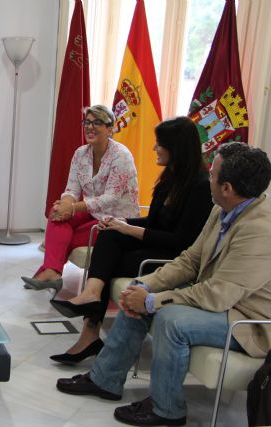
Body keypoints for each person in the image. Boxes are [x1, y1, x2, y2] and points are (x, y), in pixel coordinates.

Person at [57, 142, 271, 426]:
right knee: (140, 292)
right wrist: (145, 286)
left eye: (213, 174)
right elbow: (190, 260)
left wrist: (152, 301)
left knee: (170, 318)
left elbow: (217, 295)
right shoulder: (223, 210)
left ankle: (167, 409)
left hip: (248, 321)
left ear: (227, 187)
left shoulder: (259, 229)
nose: (208, 178)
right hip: (223, 304)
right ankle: (105, 379)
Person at [50, 116, 214, 365]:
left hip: (175, 257)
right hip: (158, 243)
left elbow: (182, 241)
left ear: (176, 148)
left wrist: (129, 229)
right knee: (108, 233)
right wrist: (120, 224)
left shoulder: (201, 187)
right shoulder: (169, 178)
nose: (154, 148)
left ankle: (90, 333)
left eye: (160, 144)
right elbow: (153, 221)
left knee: (112, 258)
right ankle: (91, 301)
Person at [22, 105, 139, 291]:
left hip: (116, 220)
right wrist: (66, 204)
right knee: (56, 214)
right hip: (92, 212)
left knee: (67, 238)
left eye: (97, 123)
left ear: (110, 129)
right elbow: (72, 188)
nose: (90, 127)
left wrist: (74, 208)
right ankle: (52, 273)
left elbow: (111, 198)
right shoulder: (80, 153)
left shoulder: (121, 156)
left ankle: (50, 271)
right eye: (87, 122)